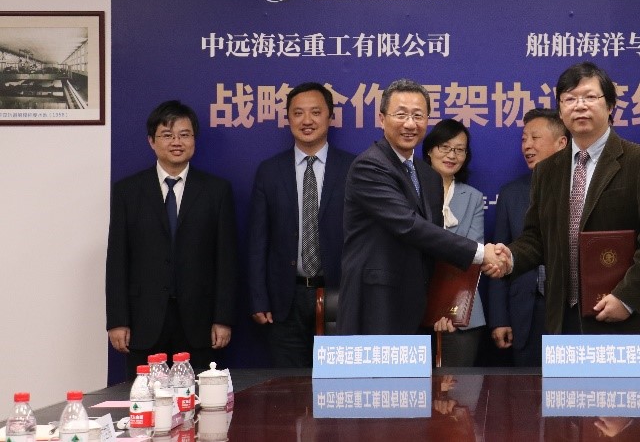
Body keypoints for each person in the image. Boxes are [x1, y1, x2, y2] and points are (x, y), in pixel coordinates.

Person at [501, 62, 640, 335]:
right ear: (561, 110)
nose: (580, 106)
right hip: (562, 318)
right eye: (570, 99)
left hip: (617, 317)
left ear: (610, 105)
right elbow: (536, 238)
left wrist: (627, 298)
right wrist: (509, 257)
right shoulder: (547, 171)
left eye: (590, 97)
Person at [337, 78, 507, 336]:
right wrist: (482, 253)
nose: (410, 124)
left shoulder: (428, 176)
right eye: (401, 114)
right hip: (375, 304)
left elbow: (433, 243)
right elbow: (409, 226)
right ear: (382, 119)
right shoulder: (369, 166)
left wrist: (445, 304)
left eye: (418, 115)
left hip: (417, 305)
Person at [106, 100, 237, 377]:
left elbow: (227, 261)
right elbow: (117, 259)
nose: (176, 142)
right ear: (151, 141)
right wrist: (117, 320)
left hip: (200, 324)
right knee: (144, 399)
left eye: (184, 134)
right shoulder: (128, 191)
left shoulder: (217, 191)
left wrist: (223, 318)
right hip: (143, 323)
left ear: (194, 140)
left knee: (200, 398)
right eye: (167, 135)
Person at [248, 82, 355, 367]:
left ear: (330, 117)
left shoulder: (353, 168)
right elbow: (258, 241)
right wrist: (259, 298)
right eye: (298, 113)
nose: (307, 120)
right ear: (288, 118)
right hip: (285, 299)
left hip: (339, 295)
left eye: (315, 112)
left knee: (338, 385)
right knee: (288, 387)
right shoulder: (270, 171)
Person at [488, 108, 568, 366]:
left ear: (562, 143)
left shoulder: (582, 189)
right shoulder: (511, 194)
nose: (527, 146)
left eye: (535, 138)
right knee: (526, 387)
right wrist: (499, 318)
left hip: (570, 308)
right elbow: (499, 257)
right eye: (524, 139)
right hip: (525, 311)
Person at [422, 119, 487, 366]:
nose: (452, 155)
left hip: (461, 309)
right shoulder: (411, 191)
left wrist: (447, 307)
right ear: (430, 149)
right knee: (414, 388)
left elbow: (471, 253)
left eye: (459, 150)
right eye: (445, 147)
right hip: (416, 306)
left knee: (460, 390)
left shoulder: (473, 198)